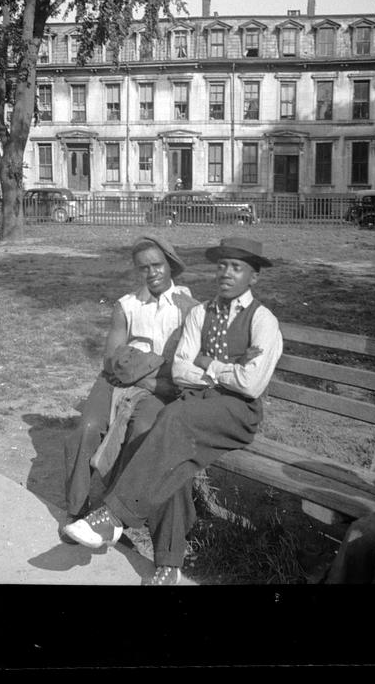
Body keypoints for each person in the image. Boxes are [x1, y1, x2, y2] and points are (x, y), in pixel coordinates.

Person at [63, 237, 283, 585]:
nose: (226, 273)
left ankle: (113, 516)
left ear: (253, 277)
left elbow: (251, 384)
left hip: (236, 415)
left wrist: (208, 366)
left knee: (171, 425)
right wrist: (224, 370)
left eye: (237, 267)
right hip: (197, 404)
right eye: (222, 265)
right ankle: (169, 562)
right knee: (169, 453)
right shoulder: (200, 312)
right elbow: (181, 370)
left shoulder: (263, 320)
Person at [62, 235, 198, 541]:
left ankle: (115, 513)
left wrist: (138, 365)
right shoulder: (127, 305)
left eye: (157, 265)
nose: (152, 273)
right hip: (117, 382)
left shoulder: (189, 308)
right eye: (143, 267)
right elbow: (112, 359)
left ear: (170, 264)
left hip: (158, 388)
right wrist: (149, 369)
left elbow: (181, 364)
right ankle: (77, 508)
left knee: (143, 431)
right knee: (88, 427)